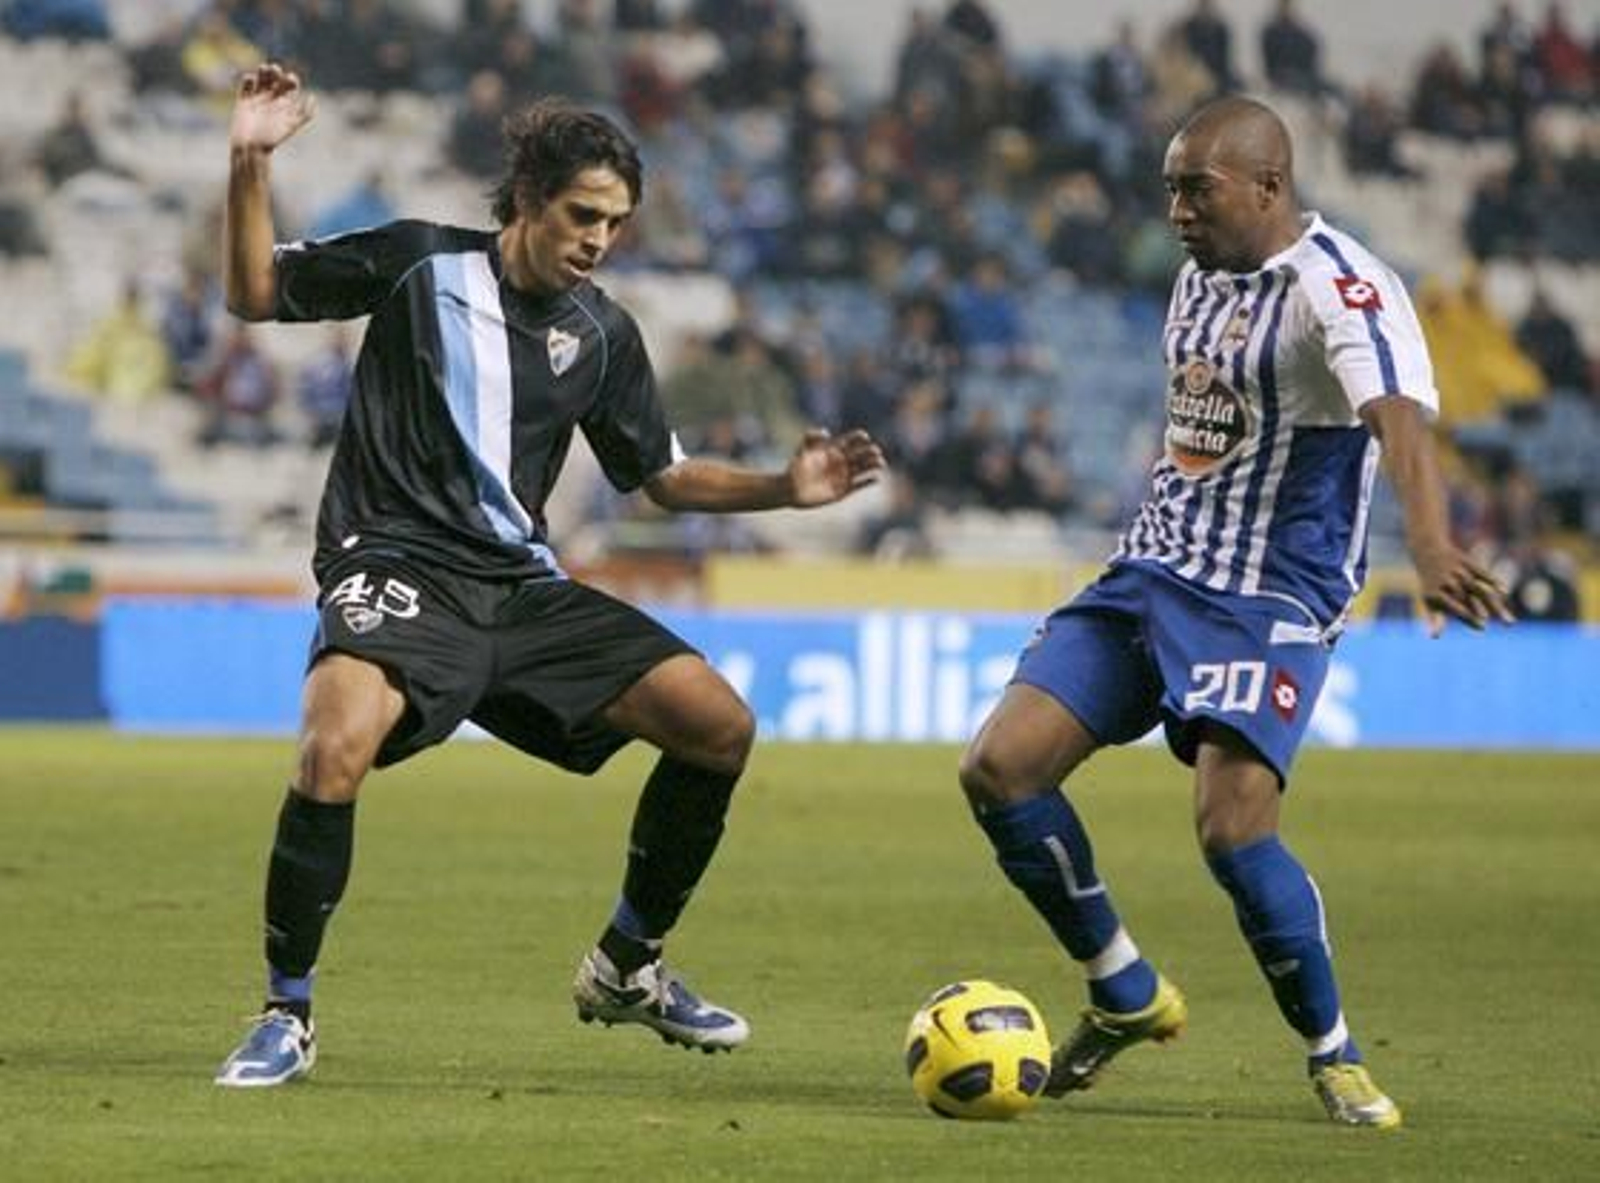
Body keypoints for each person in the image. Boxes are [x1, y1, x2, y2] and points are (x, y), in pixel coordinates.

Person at [213, 63, 885, 1088]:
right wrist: (251, 159)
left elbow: (658, 476)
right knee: (331, 745)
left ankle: (626, 964)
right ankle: (286, 1013)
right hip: (395, 563)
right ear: (527, 198)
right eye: (583, 215)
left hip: (521, 591)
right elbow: (254, 291)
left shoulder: (603, 333)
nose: (598, 240)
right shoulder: (415, 265)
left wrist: (784, 491)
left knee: (719, 725)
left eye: (615, 224)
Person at [957, 96, 1511, 1129]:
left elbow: (1399, 422)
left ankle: (1332, 1052)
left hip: (1268, 596)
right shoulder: (1196, 273)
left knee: (1229, 825)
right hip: (1152, 571)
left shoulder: (1341, 289)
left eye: (1194, 188)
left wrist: (1431, 547)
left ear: (1267, 185)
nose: (1173, 208)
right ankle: (1122, 986)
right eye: (1168, 186)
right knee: (997, 766)